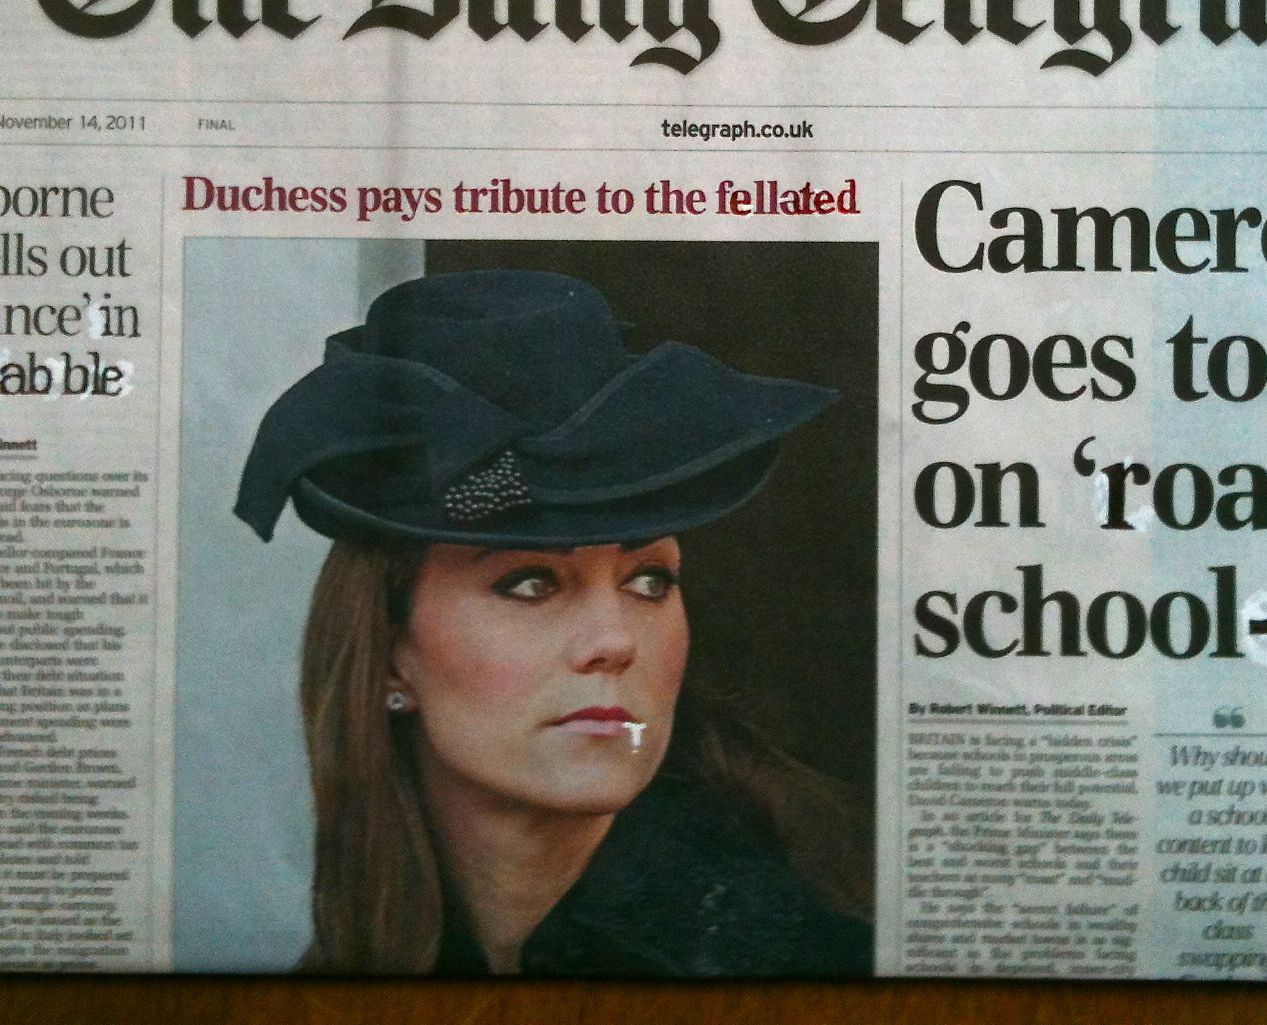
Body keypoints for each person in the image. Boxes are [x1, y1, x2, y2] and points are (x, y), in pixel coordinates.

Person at [235, 270, 872, 976]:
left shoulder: (814, 963)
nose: (615, 641)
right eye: (531, 584)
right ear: (390, 656)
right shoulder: (353, 968)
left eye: (650, 581)